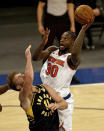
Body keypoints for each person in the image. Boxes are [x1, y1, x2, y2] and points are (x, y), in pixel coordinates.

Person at [32, 19, 94, 130]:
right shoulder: (52, 50)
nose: (61, 40)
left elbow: (76, 52)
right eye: (61, 38)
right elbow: (35, 58)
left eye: (66, 39)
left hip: (62, 101)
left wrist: (83, 30)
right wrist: (43, 43)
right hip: (46, 98)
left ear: (73, 42)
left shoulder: (72, 59)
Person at [6, 45, 68, 131]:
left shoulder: (44, 87)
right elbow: (29, 78)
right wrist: (28, 57)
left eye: (21, 74)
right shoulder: (24, 96)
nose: (23, 75)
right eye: (19, 77)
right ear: (18, 87)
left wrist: (57, 105)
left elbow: (64, 104)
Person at [37, 0, 80, 84]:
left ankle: (69, 74)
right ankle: (46, 74)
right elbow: (40, 6)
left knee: (68, 49)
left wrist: (72, 24)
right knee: (47, 47)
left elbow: (70, 6)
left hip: (63, 19)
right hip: (50, 20)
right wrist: (40, 24)